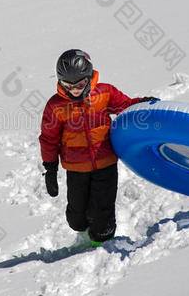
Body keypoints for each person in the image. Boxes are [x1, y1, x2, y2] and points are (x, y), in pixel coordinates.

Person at [38, 49, 159, 247]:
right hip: (76, 169)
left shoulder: (104, 93)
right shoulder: (56, 106)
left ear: (89, 77)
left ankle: (101, 245)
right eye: (68, 85)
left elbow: (126, 107)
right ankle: (84, 235)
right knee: (76, 217)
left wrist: (143, 105)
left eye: (79, 84)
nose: (74, 90)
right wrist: (50, 168)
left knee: (102, 212)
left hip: (105, 165)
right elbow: (48, 139)